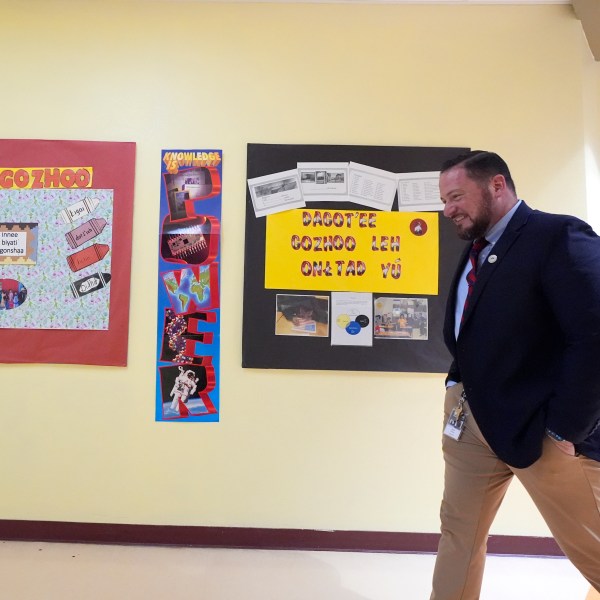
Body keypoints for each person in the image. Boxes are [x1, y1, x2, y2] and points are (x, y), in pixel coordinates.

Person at [431, 150, 600, 599]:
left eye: (456, 197)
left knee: (591, 546)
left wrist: (567, 426)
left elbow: (594, 335)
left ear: (497, 186)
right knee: (458, 536)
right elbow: (474, 330)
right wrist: (455, 383)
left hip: (542, 430)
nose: (448, 209)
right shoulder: (476, 249)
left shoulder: (557, 235)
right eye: (444, 200)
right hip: (472, 421)